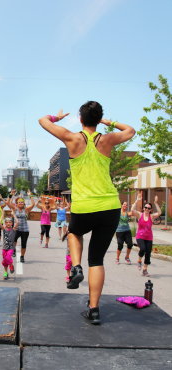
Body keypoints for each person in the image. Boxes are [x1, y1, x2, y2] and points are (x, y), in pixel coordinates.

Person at [39, 102, 135, 324]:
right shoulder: (108, 139)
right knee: (97, 260)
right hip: (109, 205)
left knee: (74, 233)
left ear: (81, 119)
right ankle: (94, 310)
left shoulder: (72, 138)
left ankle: (76, 266)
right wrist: (108, 122)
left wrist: (57, 118)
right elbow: (130, 130)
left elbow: (42, 121)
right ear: (99, 118)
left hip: (84, 206)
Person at [131, 193, 161, 276]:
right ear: (144, 208)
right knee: (143, 249)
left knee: (148, 253)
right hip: (140, 236)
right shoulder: (139, 215)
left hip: (149, 238)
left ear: (150, 210)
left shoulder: (151, 217)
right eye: (146, 207)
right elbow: (132, 210)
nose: (147, 209)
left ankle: (145, 270)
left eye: (149, 208)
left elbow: (159, 212)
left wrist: (155, 203)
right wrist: (137, 200)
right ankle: (139, 260)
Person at [6, 189, 35, 262]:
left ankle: (22, 257)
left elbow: (33, 204)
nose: (21, 203)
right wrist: (11, 194)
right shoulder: (15, 209)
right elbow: (8, 203)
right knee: (13, 241)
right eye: (19, 202)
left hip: (25, 230)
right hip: (16, 229)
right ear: (17, 203)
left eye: (22, 202)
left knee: (24, 244)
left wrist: (30, 195)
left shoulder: (26, 210)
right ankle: (14, 249)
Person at [0, 210, 18, 280]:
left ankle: (11, 265)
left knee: (7, 258)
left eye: (10, 222)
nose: (8, 223)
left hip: (11, 248)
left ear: (12, 223)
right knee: (5, 262)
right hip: (4, 247)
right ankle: (5, 273)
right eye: (6, 222)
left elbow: (17, 222)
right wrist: (2, 215)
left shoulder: (13, 229)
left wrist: (14, 215)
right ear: (5, 223)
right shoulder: (4, 229)